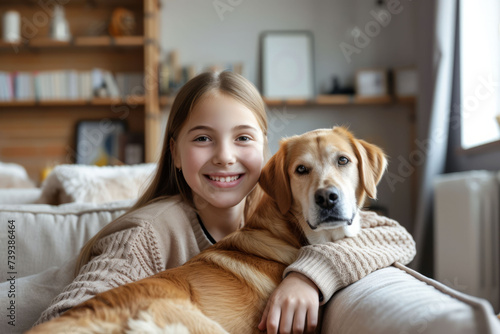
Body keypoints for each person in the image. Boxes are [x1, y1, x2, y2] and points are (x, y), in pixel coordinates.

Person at [34, 71, 416, 334]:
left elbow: (393, 236)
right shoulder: (145, 234)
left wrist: (310, 276)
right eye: (202, 139)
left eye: (243, 138)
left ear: (264, 152)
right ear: (176, 153)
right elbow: (72, 313)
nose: (225, 156)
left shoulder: (273, 209)